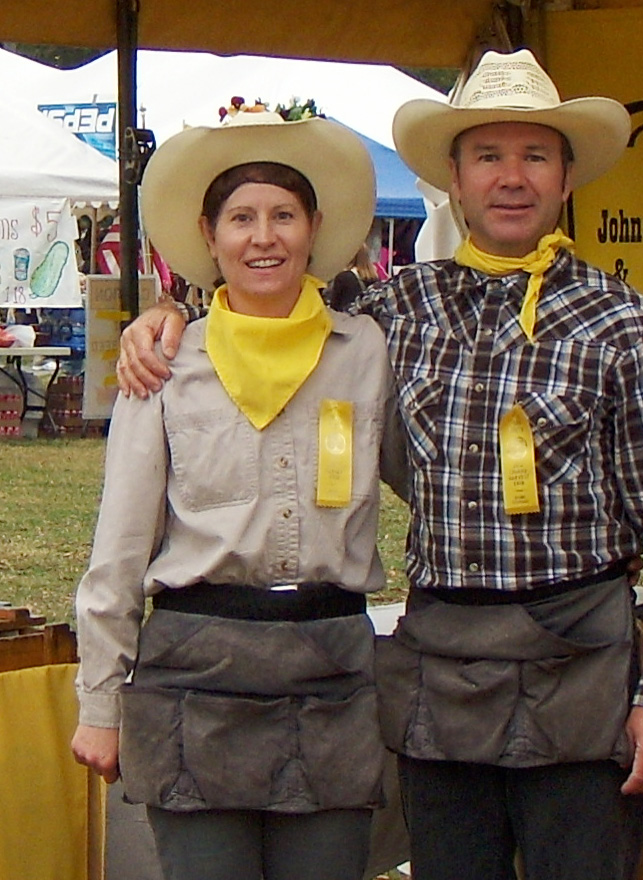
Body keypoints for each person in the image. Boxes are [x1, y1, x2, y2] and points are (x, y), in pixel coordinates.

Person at [114, 48, 643, 880]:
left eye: (535, 156)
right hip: (440, 670)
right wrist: (168, 313)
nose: (512, 178)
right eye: (489, 157)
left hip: (582, 665)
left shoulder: (627, 324)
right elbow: (266, 298)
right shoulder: (395, 307)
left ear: (567, 177)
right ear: (454, 179)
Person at [71, 109, 406, 880]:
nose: (265, 238)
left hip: (331, 672)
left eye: (284, 216)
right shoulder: (163, 359)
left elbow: (421, 476)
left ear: (316, 228)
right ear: (208, 234)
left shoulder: (366, 351)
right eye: (242, 218)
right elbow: (119, 546)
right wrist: (99, 702)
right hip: (198, 676)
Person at [325, 243, 379, 311]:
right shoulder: (374, 278)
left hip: (347, 318)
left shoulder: (343, 277)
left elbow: (335, 306)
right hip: (367, 320)